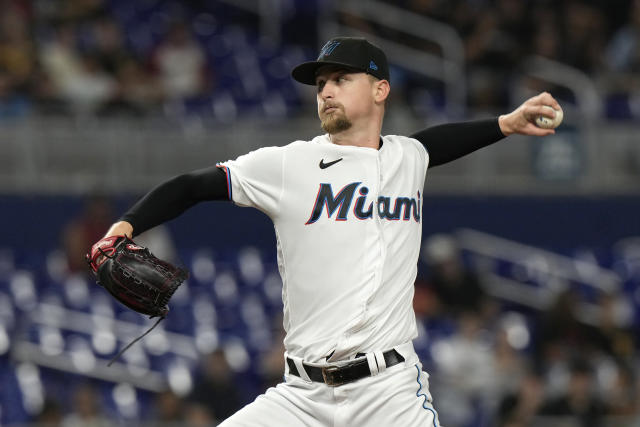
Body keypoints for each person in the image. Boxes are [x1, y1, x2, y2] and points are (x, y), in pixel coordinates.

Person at [92, 37, 562, 426]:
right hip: (301, 397)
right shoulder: (288, 165)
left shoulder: (406, 157)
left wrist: (505, 124)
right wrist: (122, 227)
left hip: (389, 392)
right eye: (320, 84)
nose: (326, 91)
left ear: (380, 90)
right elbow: (190, 186)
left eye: (340, 79)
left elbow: (436, 143)